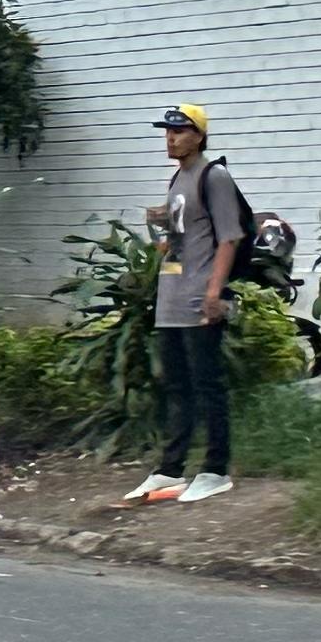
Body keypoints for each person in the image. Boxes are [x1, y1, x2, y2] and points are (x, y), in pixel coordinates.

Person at [131, 104, 247, 506]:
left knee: (207, 386)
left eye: (179, 131)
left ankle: (215, 470)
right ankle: (171, 468)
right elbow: (178, 242)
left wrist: (214, 292)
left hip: (200, 298)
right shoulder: (177, 178)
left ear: (199, 136)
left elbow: (230, 237)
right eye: (167, 131)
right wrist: (161, 231)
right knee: (177, 386)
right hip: (172, 298)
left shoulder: (214, 176)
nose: (171, 138)